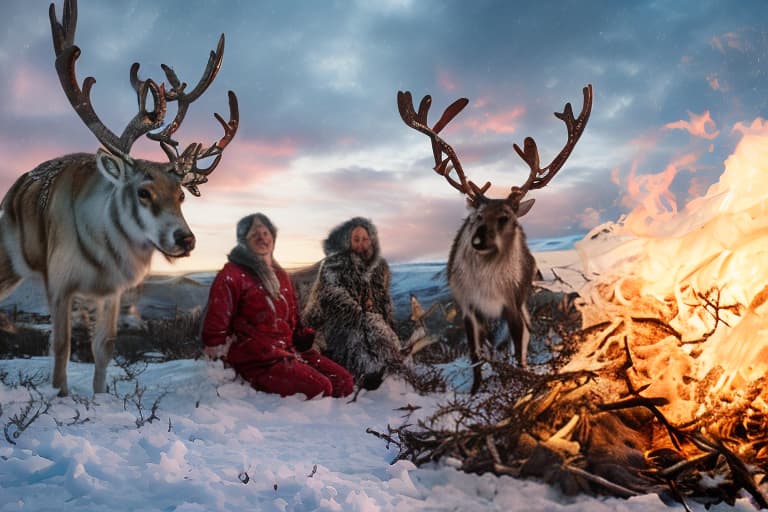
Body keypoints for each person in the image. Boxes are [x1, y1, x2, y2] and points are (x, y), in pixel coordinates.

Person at [201, 213, 354, 399]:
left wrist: (301, 335)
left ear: (273, 238)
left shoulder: (280, 275)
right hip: (256, 361)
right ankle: (255, 381)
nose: (262, 238)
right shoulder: (231, 274)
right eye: (254, 234)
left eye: (266, 233)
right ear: (243, 241)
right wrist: (218, 360)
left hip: (288, 351)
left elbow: (291, 317)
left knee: (343, 382)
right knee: (321, 388)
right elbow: (216, 323)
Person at [302, 217, 403, 390]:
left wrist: (387, 326)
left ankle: (389, 369)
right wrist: (365, 319)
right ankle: (367, 374)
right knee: (357, 347)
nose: (361, 244)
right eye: (356, 239)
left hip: (371, 324)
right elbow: (334, 295)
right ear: (348, 242)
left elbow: (384, 300)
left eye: (365, 239)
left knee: (388, 347)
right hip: (335, 325)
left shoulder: (380, 267)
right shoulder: (333, 265)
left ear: (371, 240)